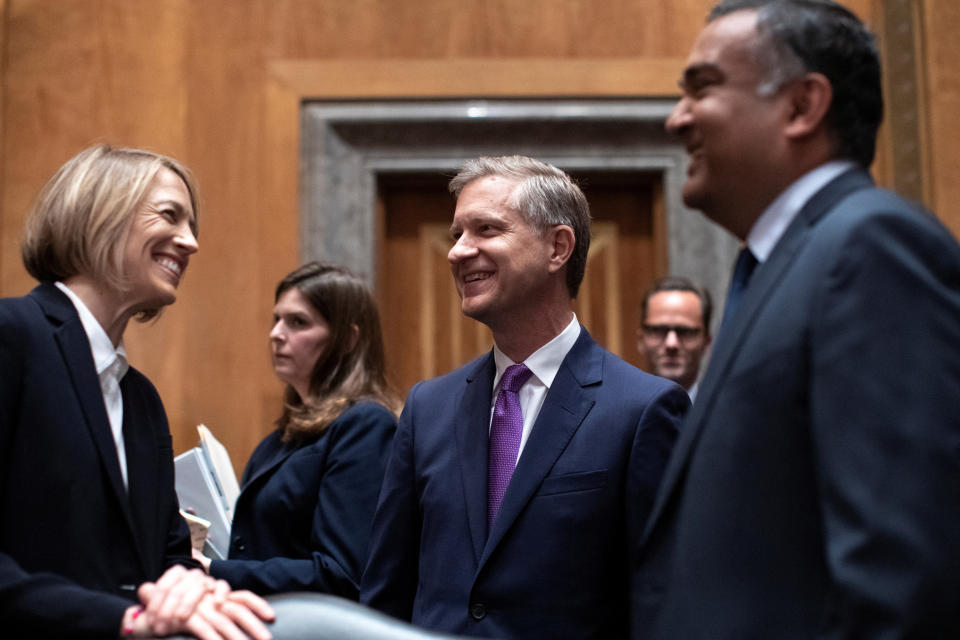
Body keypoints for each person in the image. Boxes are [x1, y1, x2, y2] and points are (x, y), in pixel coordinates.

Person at [635, 1, 960, 637]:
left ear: (801, 106)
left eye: (702, 88)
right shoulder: (775, 265)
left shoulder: (872, 246)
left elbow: (901, 575)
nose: (677, 120)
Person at [360, 155, 689, 638]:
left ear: (558, 247)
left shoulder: (644, 410)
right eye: (456, 235)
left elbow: (664, 602)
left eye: (486, 230)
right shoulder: (428, 408)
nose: (457, 252)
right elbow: (386, 594)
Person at [0, 144, 274, 639]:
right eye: (170, 216)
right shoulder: (11, 335)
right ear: (99, 214)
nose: (189, 242)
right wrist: (123, 620)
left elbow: (169, 557)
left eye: (192, 226)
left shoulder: (140, 399)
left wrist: (197, 593)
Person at [194, 263, 398, 599]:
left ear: (347, 340)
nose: (276, 333)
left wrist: (214, 571)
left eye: (298, 322)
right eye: (277, 319)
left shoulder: (364, 427)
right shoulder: (276, 443)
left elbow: (342, 574)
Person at [637, 276, 712, 398]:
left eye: (686, 332)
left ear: (707, 342)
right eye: (658, 330)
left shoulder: (728, 414)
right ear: (641, 339)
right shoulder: (616, 414)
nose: (671, 344)